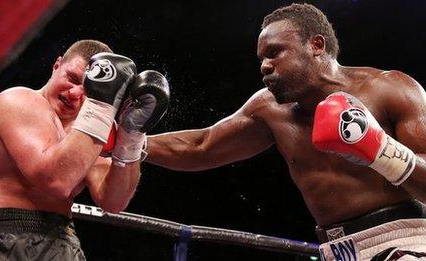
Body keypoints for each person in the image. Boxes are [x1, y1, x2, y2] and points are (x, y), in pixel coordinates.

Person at [145, 3, 426, 261]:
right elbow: (201, 146)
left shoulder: (390, 89)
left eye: (275, 52)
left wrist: (380, 150)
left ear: (316, 45)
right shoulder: (269, 109)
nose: (265, 65)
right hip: (338, 252)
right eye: (261, 58)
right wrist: (128, 141)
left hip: (409, 241)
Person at [0, 40, 170, 260]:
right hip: (2, 239)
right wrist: (100, 105)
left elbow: (114, 201)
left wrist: (131, 137)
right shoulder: (17, 101)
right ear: (56, 65)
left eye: (88, 89)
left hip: (64, 244)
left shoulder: (90, 131)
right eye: (72, 79)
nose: (75, 93)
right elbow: (56, 180)